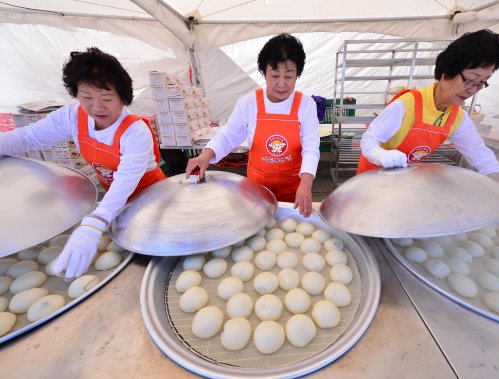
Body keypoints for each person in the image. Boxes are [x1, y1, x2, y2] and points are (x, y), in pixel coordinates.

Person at [0, 47, 165, 278]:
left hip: (151, 200)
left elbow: (125, 180)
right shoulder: (73, 116)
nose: (97, 107)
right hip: (114, 203)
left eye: (107, 98)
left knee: (151, 260)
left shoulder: (135, 131)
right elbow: (29, 137)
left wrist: (95, 222)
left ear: (123, 97)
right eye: (86, 97)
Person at [357, 29, 499, 235]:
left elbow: (484, 160)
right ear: (447, 73)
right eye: (471, 79)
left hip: (404, 188)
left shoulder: (457, 117)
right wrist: (380, 154)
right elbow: (369, 139)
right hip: (372, 184)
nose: (472, 90)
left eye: (482, 83)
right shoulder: (407, 104)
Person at [185, 33, 320, 218]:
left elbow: (311, 147)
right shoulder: (249, 103)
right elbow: (228, 135)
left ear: (297, 75)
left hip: (294, 191)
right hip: (257, 191)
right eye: (274, 75)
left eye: (288, 76)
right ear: (264, 72)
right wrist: (205, 155)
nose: (281, 83)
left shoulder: (306, 104)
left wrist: (306, 184)